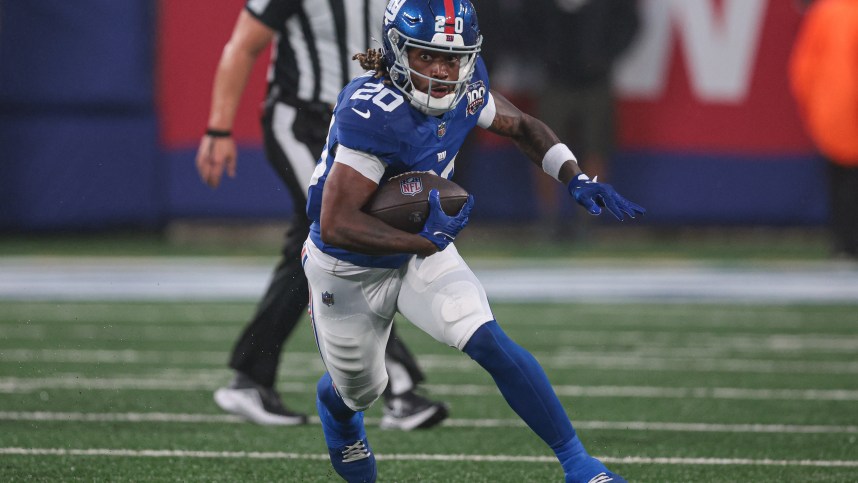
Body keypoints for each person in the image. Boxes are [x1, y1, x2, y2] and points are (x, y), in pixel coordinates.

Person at [302, 1, 645, 481]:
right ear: (398, 51)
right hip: (347, 264)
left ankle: (580, 465)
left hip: (422, 246)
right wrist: (424, 241)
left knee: (487, 338)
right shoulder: (372, 110)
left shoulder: (468, 81)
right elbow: (336, 223)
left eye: (453, 58)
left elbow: (522, 126)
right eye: (428, 57)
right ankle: (337, 410)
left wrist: (574, 177)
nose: (444, 70)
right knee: (359, 389)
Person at [194, 0, 449, 430]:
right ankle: (401, 388)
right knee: (336, 231)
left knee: (309, 247)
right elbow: (242, 45)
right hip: (301, 121)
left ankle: (250, 379)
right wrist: (219, 128)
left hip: (367, 128)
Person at [789, 0, 858, 259]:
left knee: (841, 183)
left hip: (830, 114)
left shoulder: (825, 13)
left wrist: (814, 107)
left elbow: (802, 69)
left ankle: (843, 244)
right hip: (844, 112)